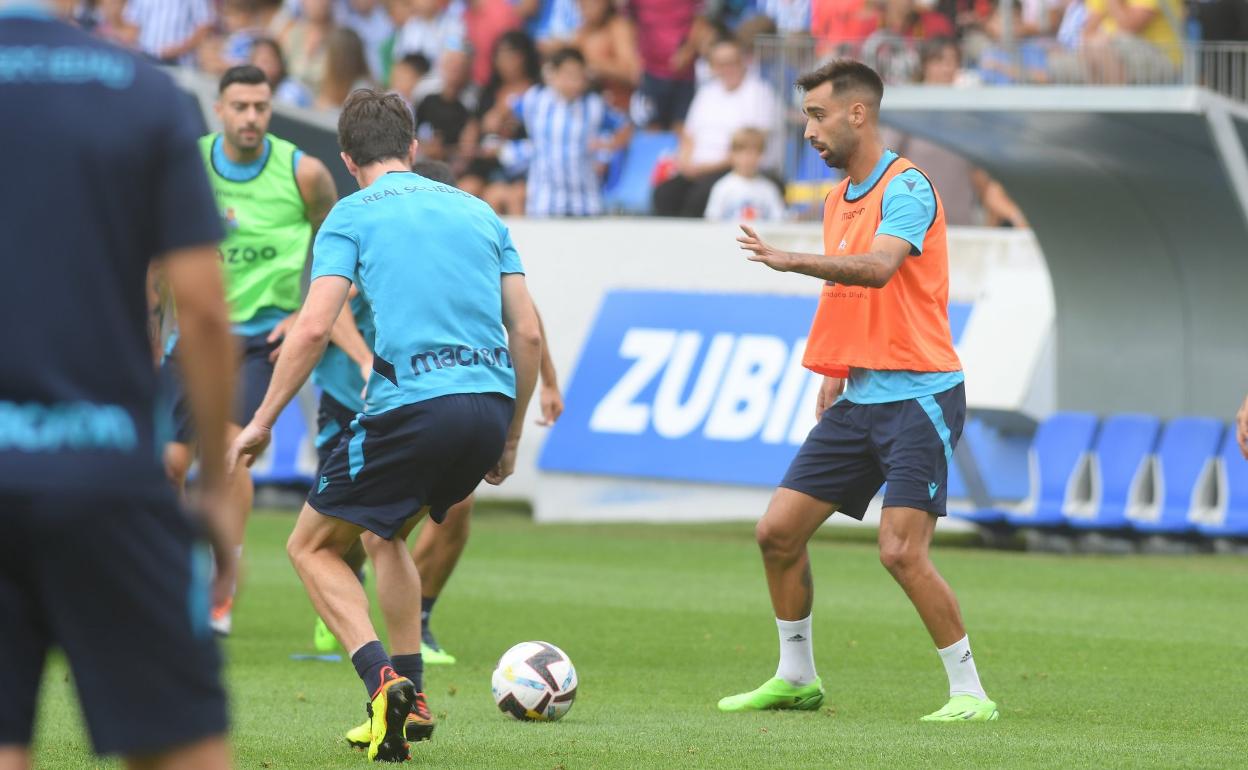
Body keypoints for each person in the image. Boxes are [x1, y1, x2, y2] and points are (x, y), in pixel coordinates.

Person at [228, 89, 543, 762]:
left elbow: (312, 325)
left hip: (413, 406)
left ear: (346, 159)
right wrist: (510, 435)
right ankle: (416, 697)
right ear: (415, 147)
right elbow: (529, 333)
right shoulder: (480, 211)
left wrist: (260, 422)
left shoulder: (350, 212)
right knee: (381, 533)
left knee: (309, 547)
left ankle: (382, 680)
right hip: (486, 403)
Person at [722, 59, 998, 722]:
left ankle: (970, 693)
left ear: (857, 114)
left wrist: (791, 259)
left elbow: (876, 269)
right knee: (776, 533)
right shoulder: (833, 198)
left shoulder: (907, 188)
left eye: (817, 115)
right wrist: (839, 369)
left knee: (901, 551)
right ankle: (796, 677)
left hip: (921, 397)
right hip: (861, 395)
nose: (808, 129)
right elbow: (851, 297)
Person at [0, 2, 236, 768]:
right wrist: (206, 483)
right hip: (104, 468)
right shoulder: (141, 90)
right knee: (179, 746)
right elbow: (201, 308)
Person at [312, 158, 564, 673]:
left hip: (430, 401)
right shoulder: (394, 236)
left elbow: (526, 322)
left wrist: (551, 382)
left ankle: (409, 636)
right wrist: (363, 361)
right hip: (364, 397)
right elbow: (322, 312)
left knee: (388, 528)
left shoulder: (461, 247)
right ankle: (356, 614)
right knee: (361, 531)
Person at [164, 64, 338, 636]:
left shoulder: (305, 172)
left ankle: (223, 580)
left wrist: (302, 312)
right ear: (220, 109)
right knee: (167, 463)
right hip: (192, 332)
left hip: (262, 338)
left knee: (229, 447)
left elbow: (339, 245)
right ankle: (167, 577)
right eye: (239, 106)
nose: (251, 118)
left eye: (260, 107)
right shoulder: (188, 164)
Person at [652, 37, 780, 218]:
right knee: (664, 194)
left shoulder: (759, 93)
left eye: (732, 62)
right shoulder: (706, 93)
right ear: (713, 67)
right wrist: (685, 162)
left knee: (697, 198)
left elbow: (751, 143)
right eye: (720, 63)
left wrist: (706, 168)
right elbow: (689, 135)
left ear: (743, 61)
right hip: (696, 169)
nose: (727, 68)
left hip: (733, 168)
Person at [512, 46, 631, 217]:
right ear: (553, 74)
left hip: (585, 199)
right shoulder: (534, 99)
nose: (575, 82)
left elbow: (625, 127)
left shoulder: (594, 105)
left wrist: (608, 145)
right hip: (544, 198)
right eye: (569, 75)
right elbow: (506, 114)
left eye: (579, 76)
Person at [704, 127, 787, 222]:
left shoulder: (769, 189)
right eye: (742, 152)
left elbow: (779, 220)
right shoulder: (722, 187)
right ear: (732, 154)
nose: (748, 158)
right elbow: (712, 221)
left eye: (753, 153)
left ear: (761, 155)